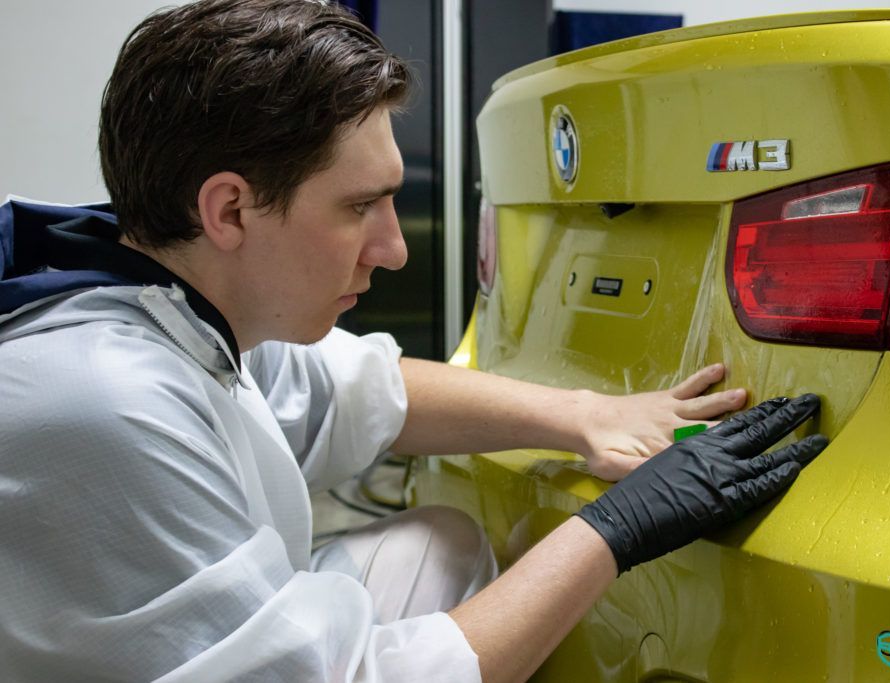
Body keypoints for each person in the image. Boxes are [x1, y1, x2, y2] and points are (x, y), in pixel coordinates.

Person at [0, 1, 828, 681]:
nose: (395, 248)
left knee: (440, 544)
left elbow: (355, 390)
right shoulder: (105, 402)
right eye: (360, 206)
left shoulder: (163, 284)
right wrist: (618, 527)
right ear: (230, 210)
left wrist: (585, 414)